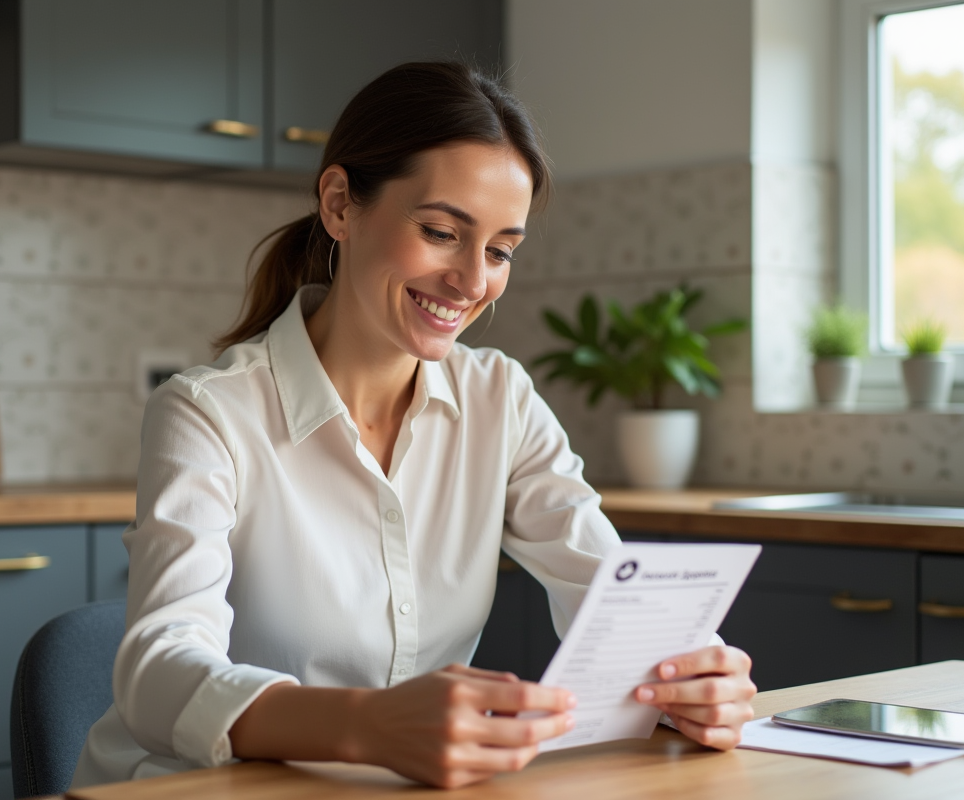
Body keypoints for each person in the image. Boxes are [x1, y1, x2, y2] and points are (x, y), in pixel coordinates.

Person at [71, 61, 755, 791]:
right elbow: (158, 674)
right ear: (339, 204)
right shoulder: (209, 413)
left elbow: (614, 595)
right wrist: (370, 726)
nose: (471, 280)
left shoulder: (501, 399)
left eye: (499, 251)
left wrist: (693, 677)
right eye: (440, 232)